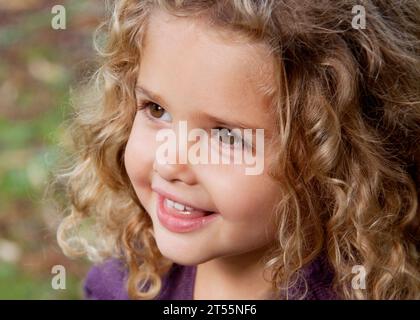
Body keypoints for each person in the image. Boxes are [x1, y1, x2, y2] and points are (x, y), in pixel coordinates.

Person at [52, 0, 420, 299]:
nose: (169, 162)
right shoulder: (124, 281)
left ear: (333, 154)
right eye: (156, 110)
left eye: (226, 136)